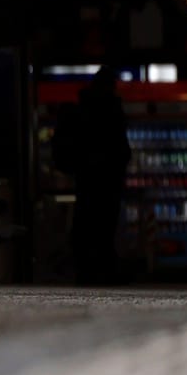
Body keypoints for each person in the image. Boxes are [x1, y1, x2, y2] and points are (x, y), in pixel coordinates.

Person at [71, 67, 130, 285]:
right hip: (107, 179)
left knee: (87, 224)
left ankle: (86, 271)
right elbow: (120, 146)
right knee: (105, 226)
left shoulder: (82, 107)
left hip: (86, 177)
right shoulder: (112, 109)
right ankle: (104, 271)